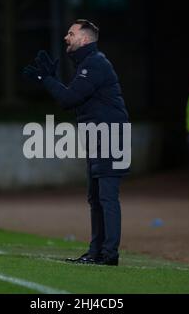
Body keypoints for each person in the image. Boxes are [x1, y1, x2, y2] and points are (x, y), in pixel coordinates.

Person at [23, 20, 129, 266]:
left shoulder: (95, 64)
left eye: (71, 33)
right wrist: (50, 79)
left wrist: (46, 79)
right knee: (96, 197)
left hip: (111, 135)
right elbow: (73, 96)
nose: (66, 38)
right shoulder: (88, 64)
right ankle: (96, 252)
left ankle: (108, 255)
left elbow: (68, 99)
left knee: (107, 197)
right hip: (99, 136)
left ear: (84, 39)